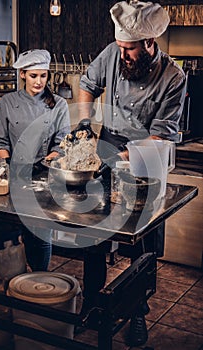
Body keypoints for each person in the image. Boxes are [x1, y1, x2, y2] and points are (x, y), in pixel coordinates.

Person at [77, 1, 186, 346]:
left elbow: (160, 136)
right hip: (109, 143)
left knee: (142, 242)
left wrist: (121, 156)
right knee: (93, 230)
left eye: (129, 50)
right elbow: (87, 83)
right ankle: (94, 303)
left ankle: (137, 311)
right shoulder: (111, 53)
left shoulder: (174, 78)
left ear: (149, 43)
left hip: (145, 159)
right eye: (120, 47)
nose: (121, 55)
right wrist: (84, 123)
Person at [0, 49, 71, 272]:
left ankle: (39, 279)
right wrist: (9, 166)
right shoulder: (7, 102)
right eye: (33, 76)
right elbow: (0, 140)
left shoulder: (58, 104)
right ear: (23, 75)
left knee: (40, 233)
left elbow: (62, 142)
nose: (39, 81)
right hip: (14, 176)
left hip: (44, 177)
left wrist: (45, 163)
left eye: (43, 76)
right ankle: (13, 277)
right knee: (13, 233)